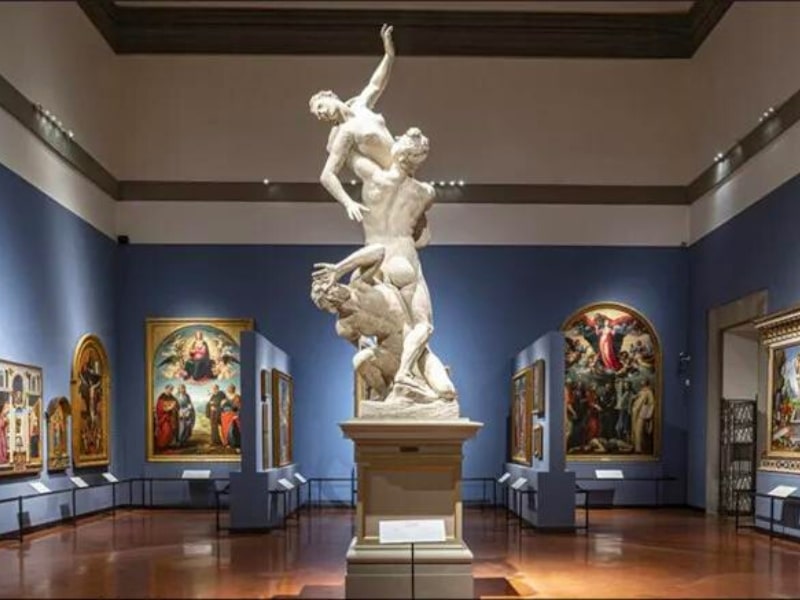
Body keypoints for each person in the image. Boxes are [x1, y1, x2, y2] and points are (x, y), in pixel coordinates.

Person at [312, 128, 454, 402]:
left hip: (377, 255)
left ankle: (402, 379)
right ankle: (403, 374)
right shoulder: (426, 192)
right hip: (404, 257)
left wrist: (341, 126)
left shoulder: (374, 176)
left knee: (408, 331)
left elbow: (339, 157)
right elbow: (424, 237)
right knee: (423, 326)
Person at [310, 24, 395, 223]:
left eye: (321, 106)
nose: (321, 114)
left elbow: (376, 84)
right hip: (387, 181)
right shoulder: (343, 133)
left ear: (331, 96)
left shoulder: (360, 105)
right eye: (318, 115)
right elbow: (327, 175)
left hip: (402, 168)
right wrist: (348, 202)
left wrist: (388, 54)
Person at [631, 380, 655, 453]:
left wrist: (648, 415)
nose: (642, 384)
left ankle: (640, 448)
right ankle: (636, 447)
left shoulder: (649, 392)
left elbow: (652, 404)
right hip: (635, 413)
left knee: (639, 431)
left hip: (642, 413)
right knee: (635, 430)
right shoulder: (641, 391)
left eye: (643, 382)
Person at [154, 384, 179, 450]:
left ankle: (168, 444)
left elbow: (177, 405)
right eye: (170, 389)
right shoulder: (161, 397)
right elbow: (160, 408)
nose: (170, 391)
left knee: (171, 431)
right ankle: (162, 445)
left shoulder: (172, 397)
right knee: (166, 430)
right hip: (164, 417)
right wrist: (170, 407)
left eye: (171, 390)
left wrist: (175, 407)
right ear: (166, 389)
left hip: (171, 417)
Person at [220, 384, 241, 449]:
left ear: (233, 389)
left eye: (230, 388)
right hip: (226, 417)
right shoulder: (226, 397)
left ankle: (235, 444)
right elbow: (222, 407)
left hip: (233, 416)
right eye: (228, 388)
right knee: (226, 430)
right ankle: (228, 443)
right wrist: (222, 404)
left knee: (232, 430)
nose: (228, 389)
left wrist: (237, 415)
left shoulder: (237, 397)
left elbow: (239, 407)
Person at [0, 400, 9, 464]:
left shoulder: (3, 417)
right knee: (2, 446)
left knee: (4, 445)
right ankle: (2, 459)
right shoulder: (1, 416)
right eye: (6, 408)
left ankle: (4, 459)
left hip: (2, 435)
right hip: (1, 435)